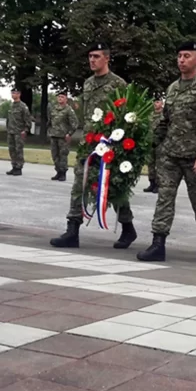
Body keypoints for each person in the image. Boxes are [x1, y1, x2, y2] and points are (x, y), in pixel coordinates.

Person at [137, 41, 196, 263]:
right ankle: (158, 243)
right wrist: (150, 143)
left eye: (186, 56)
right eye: (179, 56)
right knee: (164, 197)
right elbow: (165, 121)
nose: (181, 60)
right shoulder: (172, 88)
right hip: (171, 155)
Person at [50, 43, 137, 250]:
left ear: (107, 58)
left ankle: (127, 227)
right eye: (90, 56)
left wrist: (118, 144)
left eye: (96, 56)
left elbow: (125, 116)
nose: (92, 60)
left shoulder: (118, 84)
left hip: (109, 145)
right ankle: (72, 230)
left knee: (113, 187)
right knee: (78, 184)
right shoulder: (87, 83)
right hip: (88, 144)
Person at [48, 90, 79, 181]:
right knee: (55, 155)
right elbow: (50, 121)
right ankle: (58, 172)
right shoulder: (54, 108)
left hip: (63, 136)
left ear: (66, 99)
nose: (60, 98)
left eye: (62, 97)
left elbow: (75, 123)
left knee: (63, 155)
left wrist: (69, 134)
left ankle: (63, 173)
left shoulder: (69, 110)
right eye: (59, 97)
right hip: (54, 135)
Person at [5, 88, 33, 176]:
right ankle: (14, 166)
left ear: (19, 94)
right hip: (11, 131)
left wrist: (25, 130)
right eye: (12, 93)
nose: (13, 95)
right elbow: (8, 119)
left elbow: (28, 120)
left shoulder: (23, 106)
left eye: (15, 93)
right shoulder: (11, 105)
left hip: (19, 132)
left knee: (18, 150)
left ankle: (19, 167)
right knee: (11, 150)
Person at [143, 98, 164, 193]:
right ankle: (152, 183)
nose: (156, 104)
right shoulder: (150, 115)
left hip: (160, 144)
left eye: (158, 102)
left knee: (159, 164)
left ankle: (159, 184)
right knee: (150, 164)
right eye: (155, 102)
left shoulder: (164, 115)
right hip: (150, 143)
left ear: (162, 103)